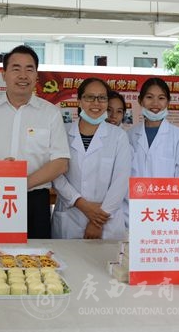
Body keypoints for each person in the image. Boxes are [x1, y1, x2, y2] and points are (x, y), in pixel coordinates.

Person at [0, 45, 70, 239]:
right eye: (16, 69)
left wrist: (22, 183)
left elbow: (60, 163)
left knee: (36, 255)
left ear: (36, 76)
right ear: (4, 74)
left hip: (35, 199)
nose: (23, 75)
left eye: (29, 69)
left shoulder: (50, 113)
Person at [52, 78, 131, 240]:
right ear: (79, 101)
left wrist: (97, 222)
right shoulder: (63, 132)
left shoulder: (118, 136)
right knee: (67, 257)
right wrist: (81, 203)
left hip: (106, 221)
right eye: (89, 97)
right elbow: (55, 174)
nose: (96, 103)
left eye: (102, 98)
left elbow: (121, 181)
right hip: (70, 216)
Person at [127, 77, 179, 178]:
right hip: (135, 189)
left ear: (168, 102)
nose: (155, 103)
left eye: (161, 98)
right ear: (140, 101)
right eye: (149, 97)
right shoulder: (129, 135)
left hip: (168, 189)